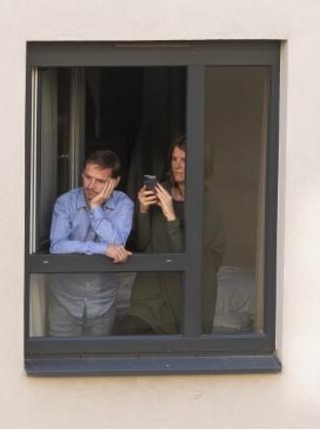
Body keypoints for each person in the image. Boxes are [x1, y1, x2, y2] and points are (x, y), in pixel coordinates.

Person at [126, 135, 226, 334]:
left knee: (181, 353)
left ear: (200, 165)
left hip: (188, 293)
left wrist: (171, 215)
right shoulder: (160, 190)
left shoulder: (208, 204)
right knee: (128, 331)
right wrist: (143, 210)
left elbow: (188, 256)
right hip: (153, 289)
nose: (177, 166)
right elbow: (144, 242)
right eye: (174, 159)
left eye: (184, 160)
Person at [46, 149, 134, 336]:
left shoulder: (123, 204)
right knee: (60, 361)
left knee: (98, 361)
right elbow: (57, 246)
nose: (90, 185)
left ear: (115, 182)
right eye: (87, 177)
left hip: (102, 303)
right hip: (64, 300)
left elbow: (117, 243)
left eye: (100, 181)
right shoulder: (65, 202)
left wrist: (95, 208)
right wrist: (102, 249)